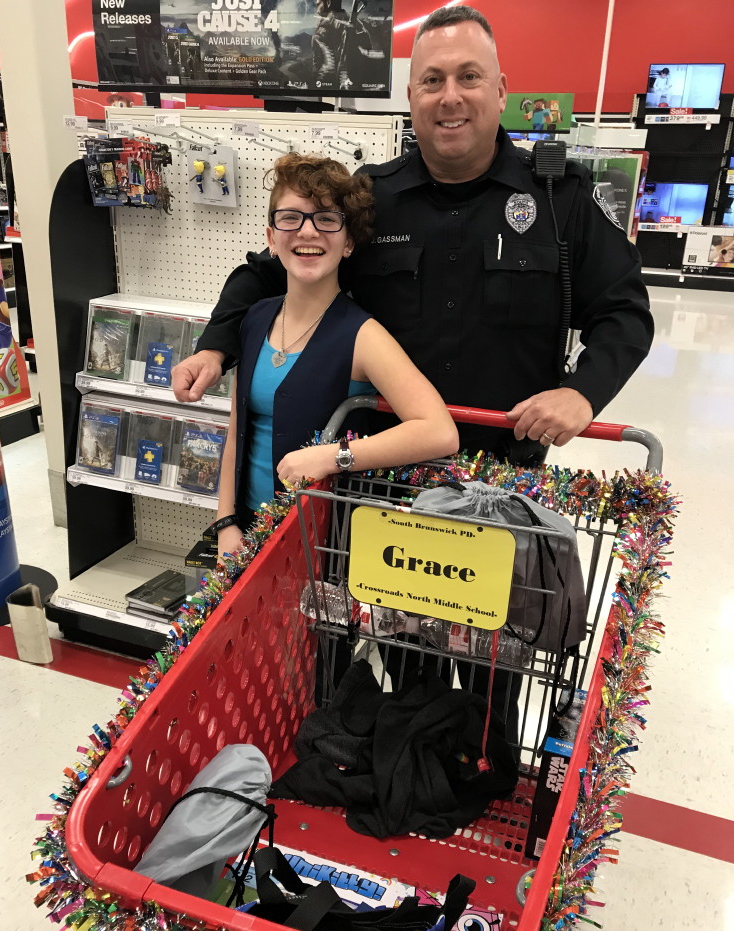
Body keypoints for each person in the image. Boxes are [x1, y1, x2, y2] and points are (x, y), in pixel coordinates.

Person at [172, 5, 652, 467]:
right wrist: (215, 347)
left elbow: (623, 311)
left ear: (501, 90)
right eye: (432, 80)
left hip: (503, 472)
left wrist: (582, 392)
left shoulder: (557, 199)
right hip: (379, 467)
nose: (450, 97)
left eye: (469, 76)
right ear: (411, 95)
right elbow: (269, 272)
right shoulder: (371, 197)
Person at [209, 152, 459, 558]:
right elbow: (237, 430)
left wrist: (334, 457)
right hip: (245, 532)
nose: (308, 232)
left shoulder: (363, 335)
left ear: (349, 243)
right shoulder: (255, 318)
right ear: (272, 237)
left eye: (327, 219)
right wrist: (225, 522)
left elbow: (439, 431)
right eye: (291, 218)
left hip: (322, 544)